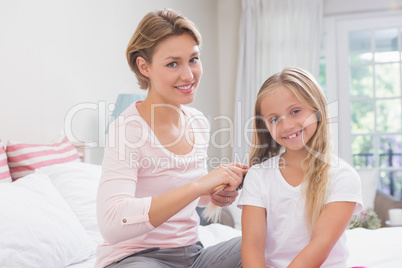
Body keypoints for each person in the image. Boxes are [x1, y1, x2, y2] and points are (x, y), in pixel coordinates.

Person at [96, 8, 246, 268]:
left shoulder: (197, 122)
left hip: (193, 254)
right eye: (172, 63)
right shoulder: (128, 130)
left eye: (194, 59)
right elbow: (112, 223)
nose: (188, 75)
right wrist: (199, 186)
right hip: (137, 258)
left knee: (268, 242)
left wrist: (212, 194)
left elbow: (186, 194)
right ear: (144, 67)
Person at [238, 67, 363, 268]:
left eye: (295, 111)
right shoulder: (258, 176)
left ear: (317, 109)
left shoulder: (343, 176)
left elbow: (319, 246)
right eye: (274, 119)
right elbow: (252, 245)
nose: (287, 126)